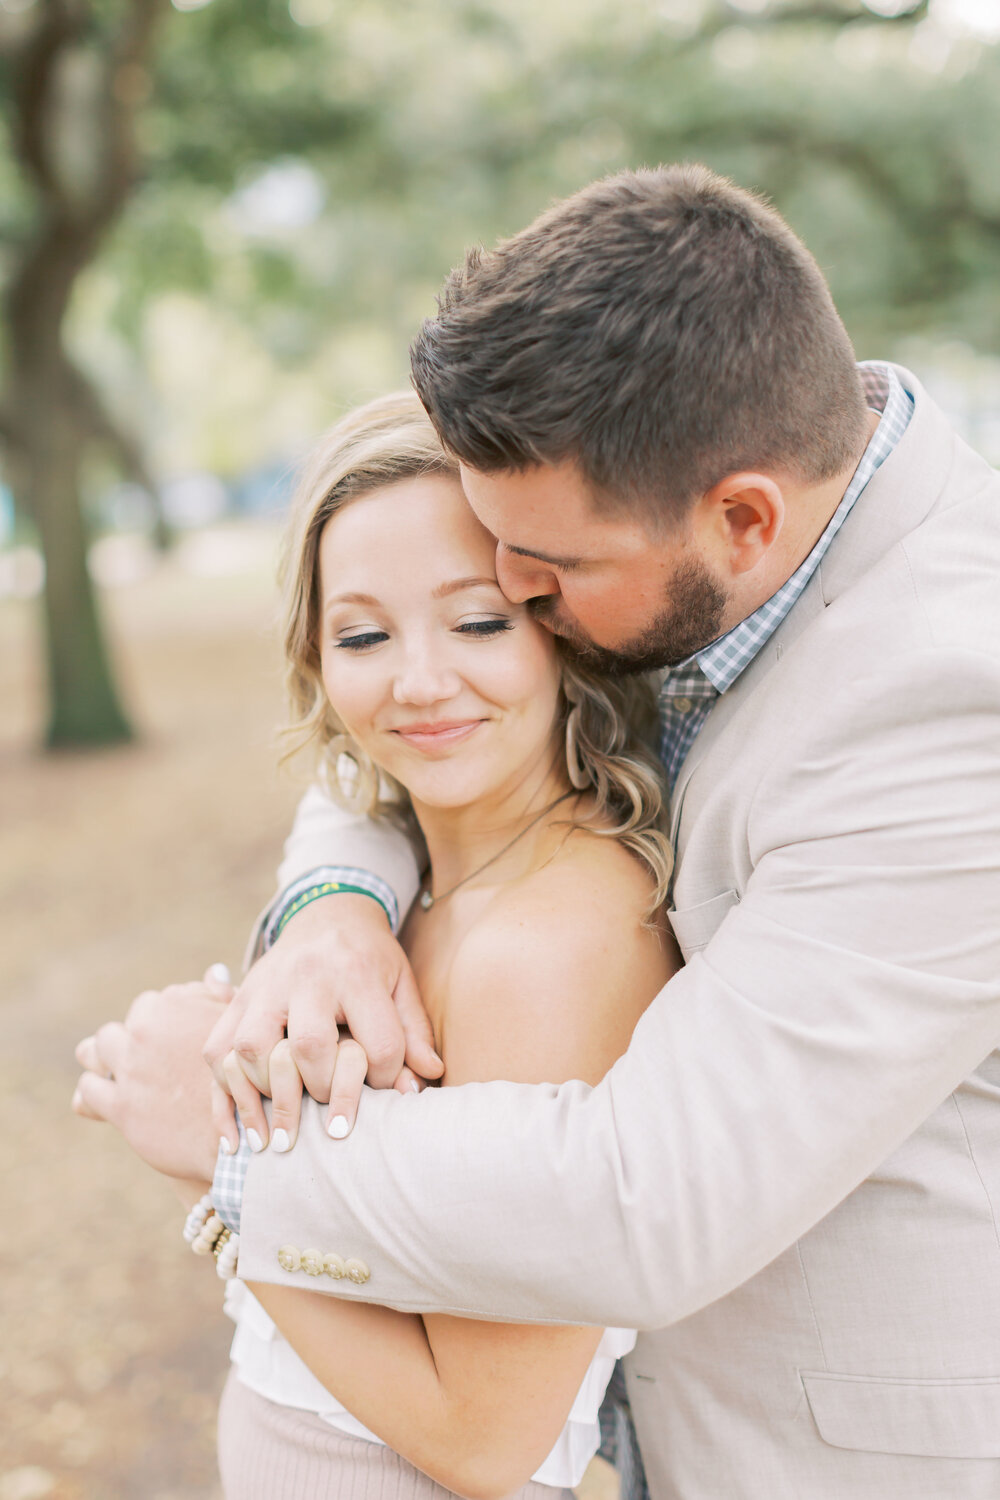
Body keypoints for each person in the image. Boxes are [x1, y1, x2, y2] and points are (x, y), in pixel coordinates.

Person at [75, 164, 1000, 1500]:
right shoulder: (689, 518)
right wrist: (332, 910)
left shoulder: (953, 705)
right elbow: (426, 735)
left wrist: (233, 1151)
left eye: (537, 580)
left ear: (743, 519)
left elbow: (653, 1198)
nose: (513, 599)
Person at [77, 390, 678, 1499]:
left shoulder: (550, 947)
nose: (418, 681)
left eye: (479, 622)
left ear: (560, 630)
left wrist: (217, 1173)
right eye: (363, 633)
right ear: (314, 653)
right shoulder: (409, 883)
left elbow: (485, 1437)